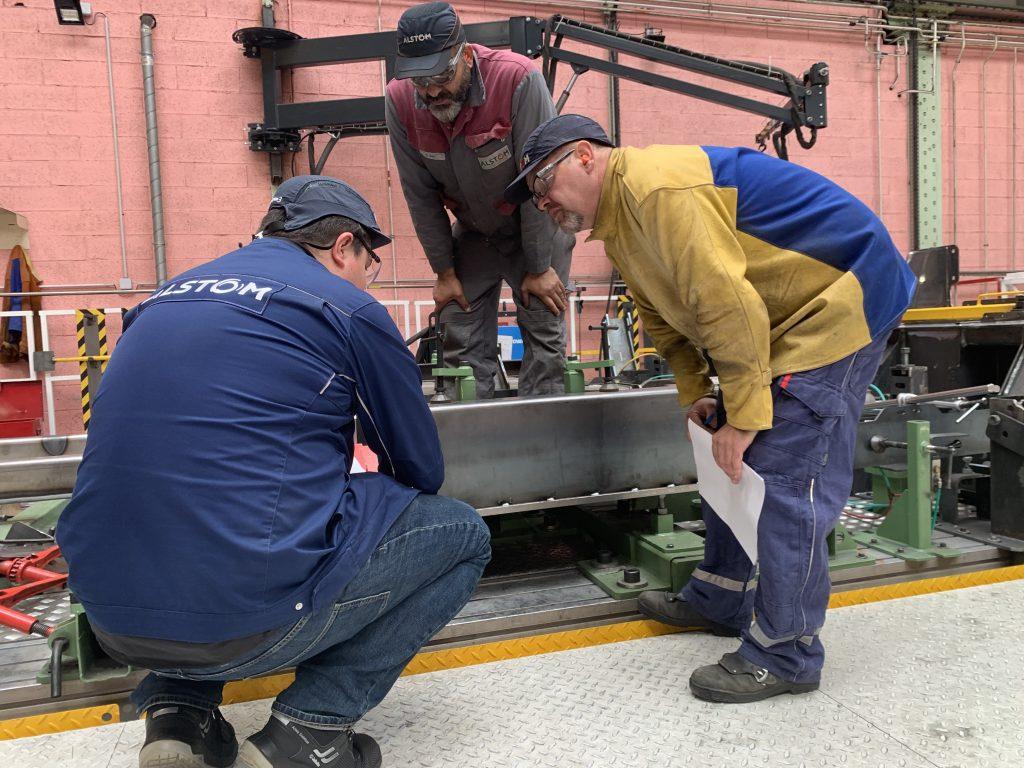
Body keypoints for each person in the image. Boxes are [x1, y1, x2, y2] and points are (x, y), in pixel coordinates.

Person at [56, 175, 491, 768]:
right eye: (372, 259)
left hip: (109, 615)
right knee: (462, 534)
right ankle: (308, 730)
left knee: (189, 499)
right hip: (246, 624)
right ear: (344, 246)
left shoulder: (164, 296)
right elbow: (418, 468)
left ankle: (177, 716)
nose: (371, 275)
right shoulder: (348, 305)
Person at [505, 115, 915, 703]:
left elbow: (726, 303)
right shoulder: (621, 222)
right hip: (780, 319)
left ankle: (788, 650)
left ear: (585, 156)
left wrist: (747, 417)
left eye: (542, 181)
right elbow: (662, 319)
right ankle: (722, 594)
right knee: (725, 452)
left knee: (782, 471)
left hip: (842, 300)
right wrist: (701, 390)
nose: (540, 200)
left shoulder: (659, 189)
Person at [385, 2, 574, 398]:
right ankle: (473, 449)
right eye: (420, 81)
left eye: (440, 76)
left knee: (544, 329)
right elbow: (418, 195)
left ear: (466, 56)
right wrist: (444, 272)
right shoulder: (400, 101)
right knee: (459, 336)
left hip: (534, 227)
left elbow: (542, 179)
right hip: (473, 234)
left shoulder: (517, 80)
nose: (432, 91)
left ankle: (545, 446)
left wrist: (539, 266)